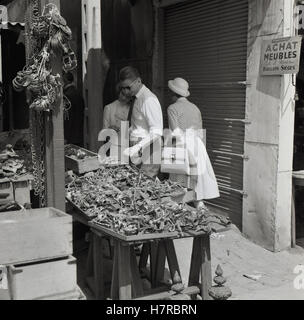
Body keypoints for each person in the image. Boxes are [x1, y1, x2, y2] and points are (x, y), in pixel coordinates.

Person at [166, 77, 220, 209]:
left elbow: (175, 132)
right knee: (196, 179)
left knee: (179, 178)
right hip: (197, 144)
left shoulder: (172, 108)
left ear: (174, 94)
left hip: (182, 144)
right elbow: (200, 131)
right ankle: (199, 204)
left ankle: (179, 206)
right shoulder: (195, 108)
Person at [120, 66, 163, 178]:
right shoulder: (137, 98)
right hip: (138, 146)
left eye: (128, 87)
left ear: (138, 81)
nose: (125, 91)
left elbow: (157, 131)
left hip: (148, 148)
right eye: (123, 88)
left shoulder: (149, 100)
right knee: (136, 183)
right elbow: (139, 124)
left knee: (144, 184)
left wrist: (138, 146)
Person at [63, 72, 85, 147]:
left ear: (65, 80)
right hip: (79, 133)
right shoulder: (78, 93)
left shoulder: (67, 95)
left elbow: (67, 117)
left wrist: (65, 136)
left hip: (70, 135)